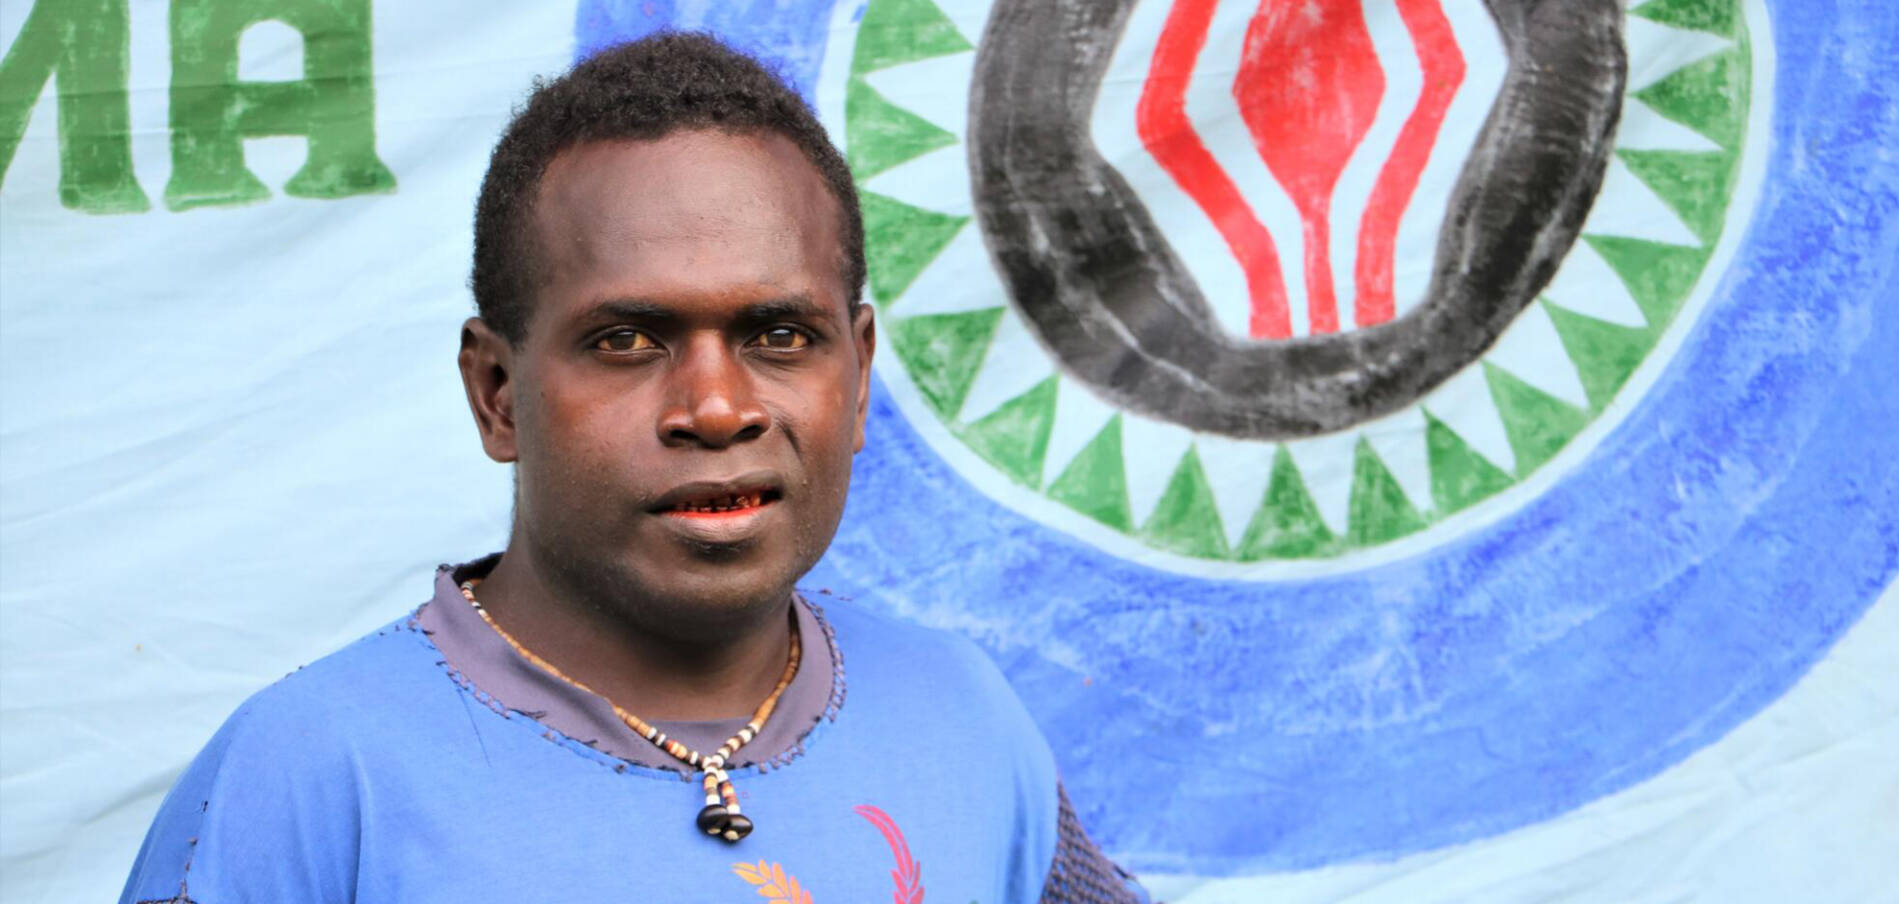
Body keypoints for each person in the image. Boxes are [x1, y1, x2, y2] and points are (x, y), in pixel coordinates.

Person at [118, 32, 1146, 904]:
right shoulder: (308, 779)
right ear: (498, 392)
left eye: (780, 335)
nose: (718, 407)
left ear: (860, 372)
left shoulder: (965, 721)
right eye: (626, 341)